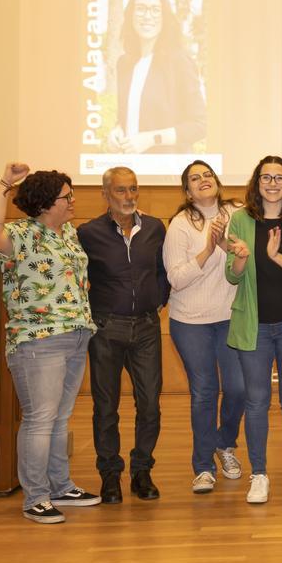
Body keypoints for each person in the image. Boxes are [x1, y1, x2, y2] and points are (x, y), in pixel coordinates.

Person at [0, 163, 100, 524]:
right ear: (48, 203)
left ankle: (60, 485)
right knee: (40, 419)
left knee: (60, 417)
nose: (73, 200)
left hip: (76, 334)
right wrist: (4, 183)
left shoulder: (69, 234)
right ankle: (35, 497)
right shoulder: (19, 234)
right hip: (38, 340)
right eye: (67, 196)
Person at [224, 156, 282, 504]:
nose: (273, 183)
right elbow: (232, 276)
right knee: (256, 402)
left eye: (279, 177)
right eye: (266, 177)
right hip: (254, 325)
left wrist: (276, 256)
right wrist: (242, 257)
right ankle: (259, 475)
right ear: (257, 182)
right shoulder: (240, 218)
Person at [77, 167, 169, 504]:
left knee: (149, 405)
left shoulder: (155, 228)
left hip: (146, 328)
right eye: (121, 191)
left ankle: (142, 471)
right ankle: (110, 475)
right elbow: (79, 279)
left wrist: (158, 300)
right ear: (105, 194)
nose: (129, 197)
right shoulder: (88, 233)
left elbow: (163, 271)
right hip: (106, 329)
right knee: (105, 406)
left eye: (133, 189)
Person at [163, 160, 245, 494]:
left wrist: (229, 245)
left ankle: (224, 443)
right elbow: (176, 279)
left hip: (231, 317)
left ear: (217, 181)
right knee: (204, 391)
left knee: (239, 388)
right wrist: (209, 249)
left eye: (207, 175)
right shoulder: (181, 225)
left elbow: (247, 256)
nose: (203, 180)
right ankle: (203, 467)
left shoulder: (237, 213)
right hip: (190, 321)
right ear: (187, 191)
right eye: (194, 179)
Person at [107, 0, 206, 154]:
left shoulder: (179, 61)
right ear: (131, 14)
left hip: (167, 174)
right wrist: (117, 130)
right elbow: (130, 117)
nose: (147, 16)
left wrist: (152, 139)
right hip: (130, 171)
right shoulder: (124, 64)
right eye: (141, 8)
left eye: (155, 9)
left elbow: (200, 125)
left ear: (164, 17)